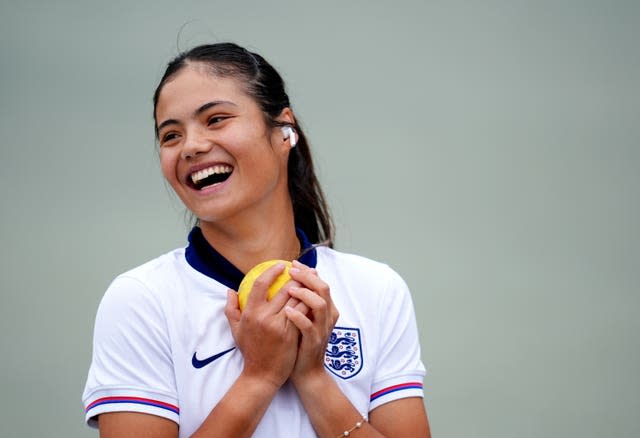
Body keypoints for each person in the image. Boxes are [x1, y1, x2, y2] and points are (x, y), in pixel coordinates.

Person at [82, 42, 430, 438]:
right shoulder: (141, 300)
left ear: (285, 130)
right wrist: (260, 377)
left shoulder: (377, 289)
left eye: (215, 119)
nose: (191, 146)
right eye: (171, 135)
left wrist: (313, 378)